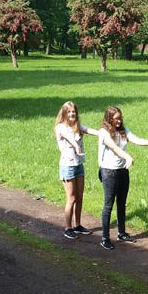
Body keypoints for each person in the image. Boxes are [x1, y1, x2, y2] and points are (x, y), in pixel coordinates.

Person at [97, 106, 148, 250]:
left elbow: (136, 139)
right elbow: (114, 147)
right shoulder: (104, 132)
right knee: (108, 205)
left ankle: (121, 233)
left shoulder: (123, 130)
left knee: (122, 203)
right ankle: (105, 238)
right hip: (109, 172)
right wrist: (128, 157)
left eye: (120, 118)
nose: (119, 121)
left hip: (123, 170)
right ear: (109, 119)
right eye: (116, 119)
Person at [54, 101, 98, 239]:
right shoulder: (60, 127)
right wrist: (76, 146)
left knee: (79, 196)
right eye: (69, 112)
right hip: (67, 166)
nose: (72, 114)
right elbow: (70, 138)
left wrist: (104, 133)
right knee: (71, 198)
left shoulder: (77, 126)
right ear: (64, 113)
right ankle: (68, 228)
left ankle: (77, 225)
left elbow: (90, 130)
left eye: (74, 111)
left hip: (78, 165)